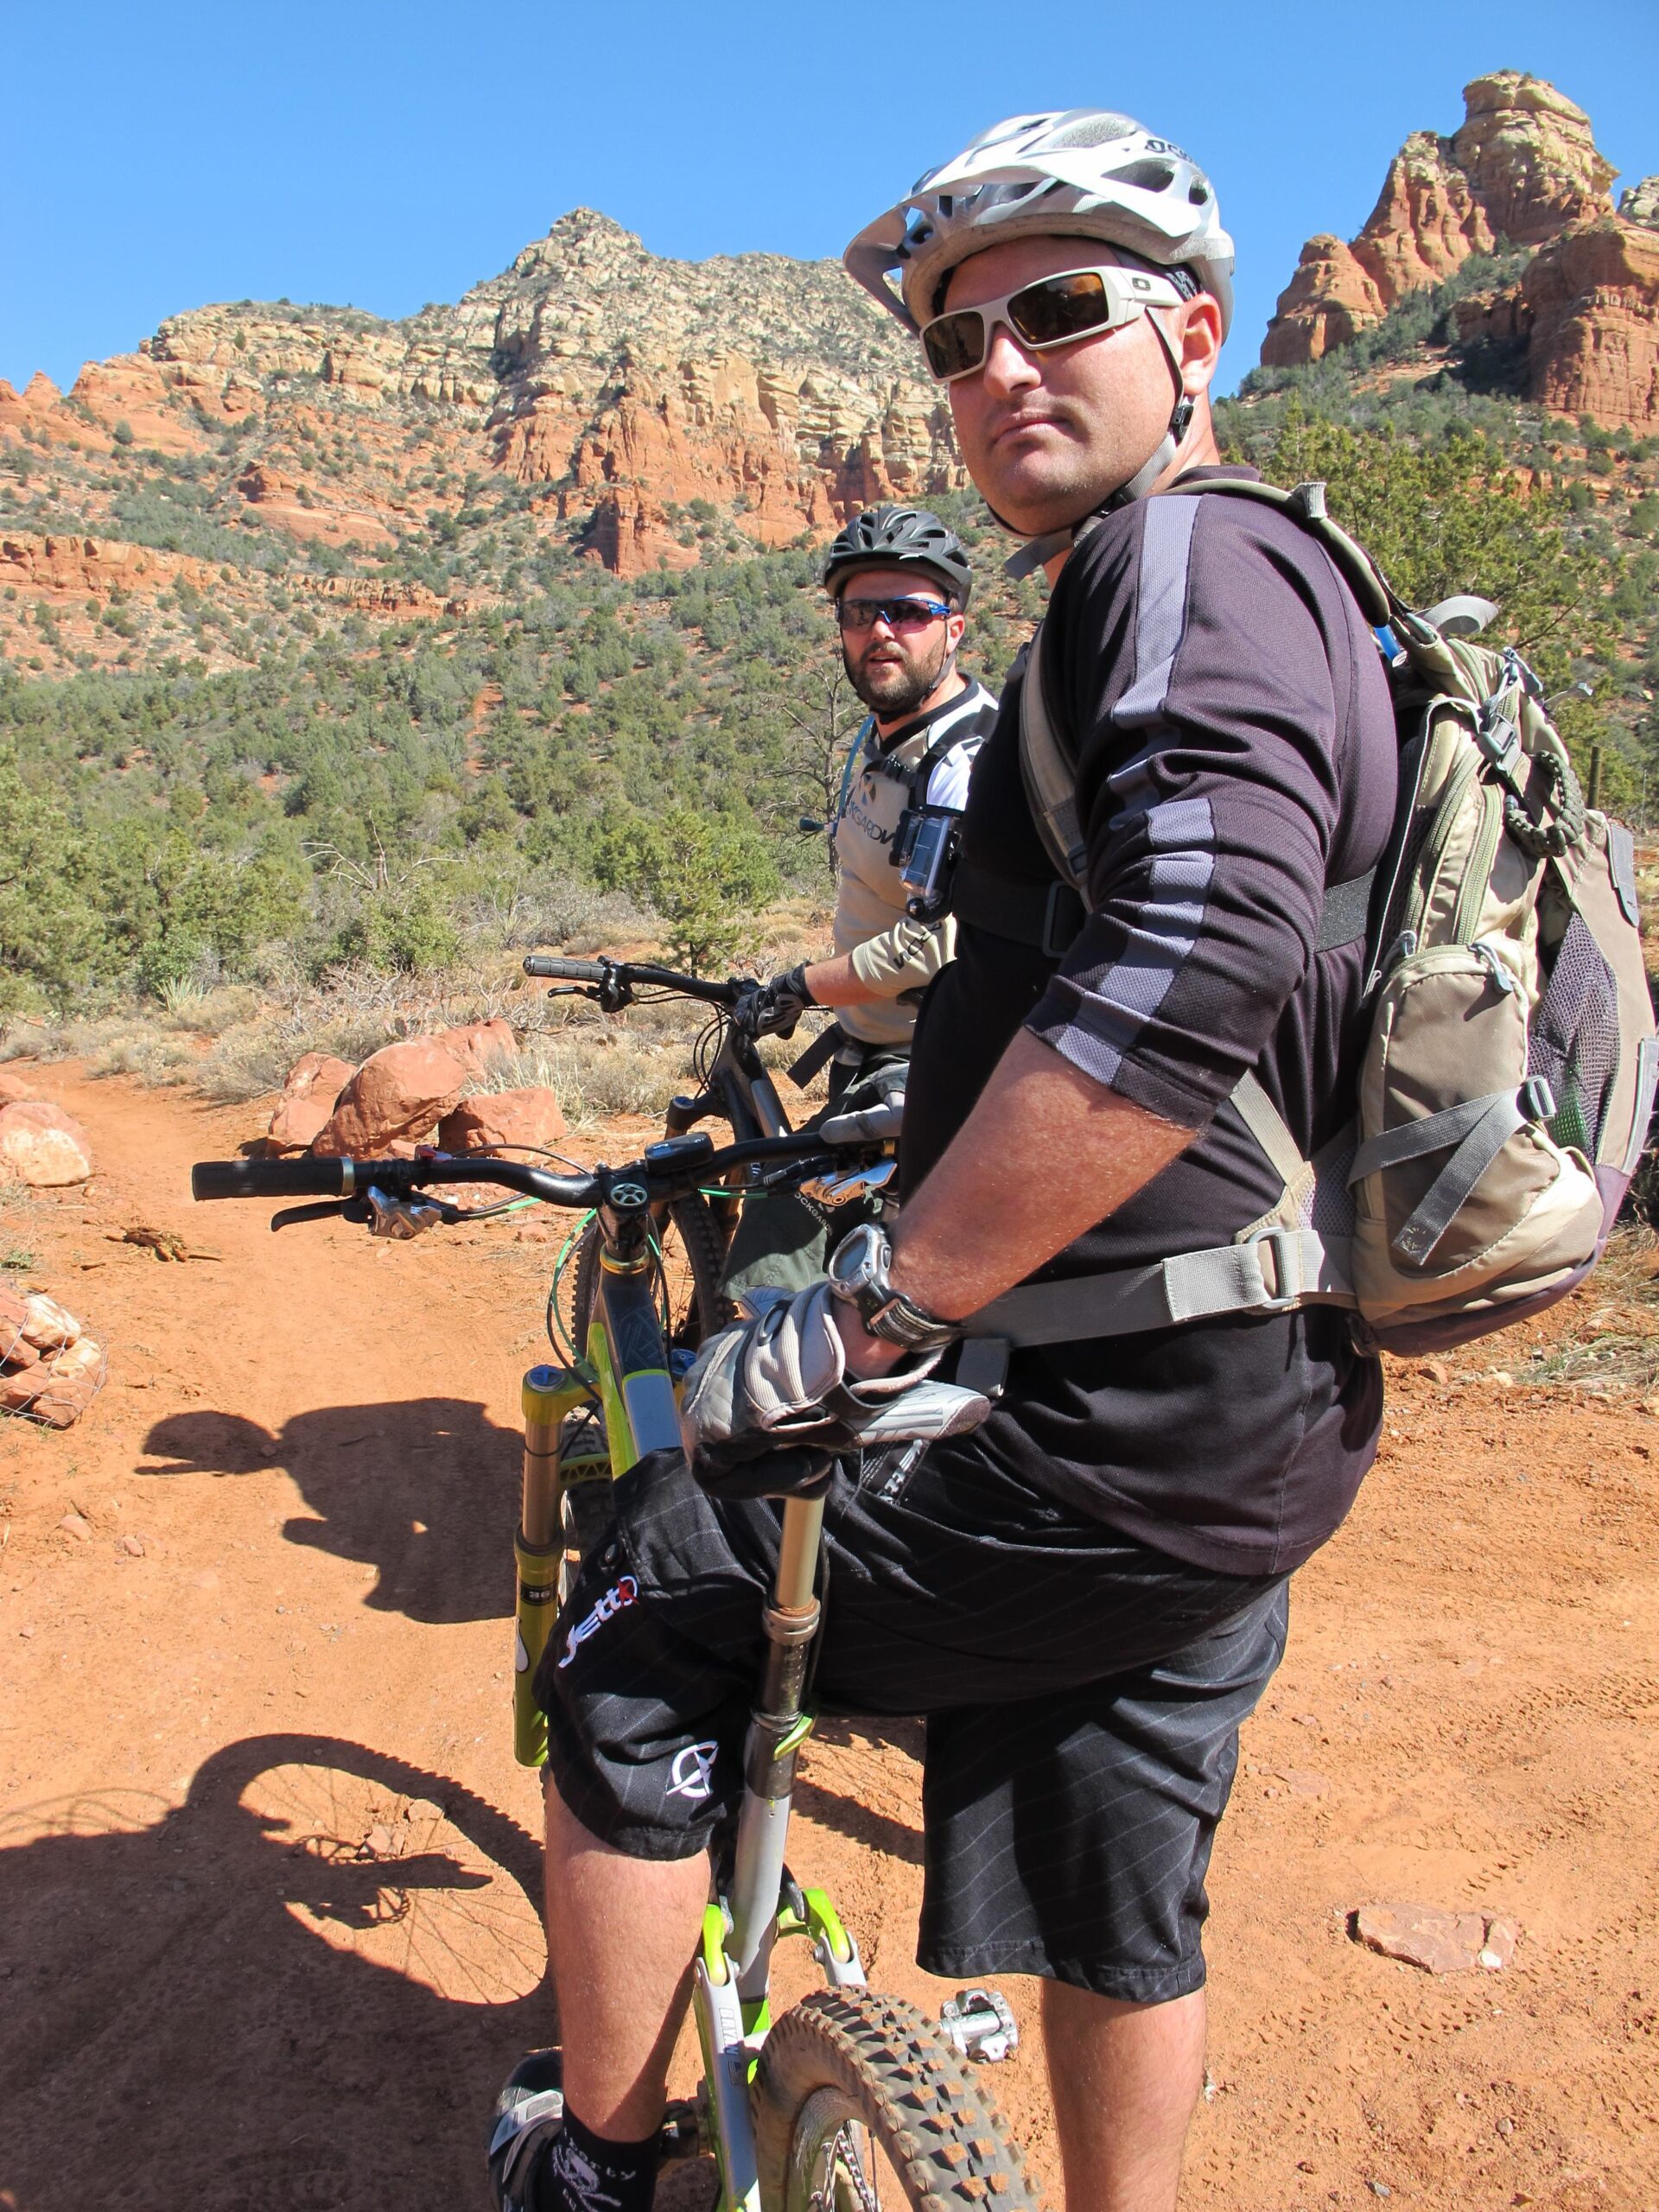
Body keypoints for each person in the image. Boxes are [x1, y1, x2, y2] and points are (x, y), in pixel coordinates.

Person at [493, 109, 1400, 2212]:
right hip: (1249, 1413)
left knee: (640, 1623)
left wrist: (887, 1306)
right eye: (955, 337)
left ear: (1192, 332)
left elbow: (1183, 968)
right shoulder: (1283, 582)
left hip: (1082, 1417)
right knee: (1116, 1876)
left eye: (1057, 311)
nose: (999, 364)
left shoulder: (1175, 564)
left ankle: (597, 2169)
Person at [722, 502, 999, 1299]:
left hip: (937, 1065)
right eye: (858, 611)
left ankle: (758, 1406)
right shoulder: (881, 739)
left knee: (778, 1276)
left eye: (909, 611)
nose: (880, 630)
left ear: (953, 628)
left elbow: (930, 947)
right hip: (872, 1050)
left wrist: (798, 987)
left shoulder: (962, 761)